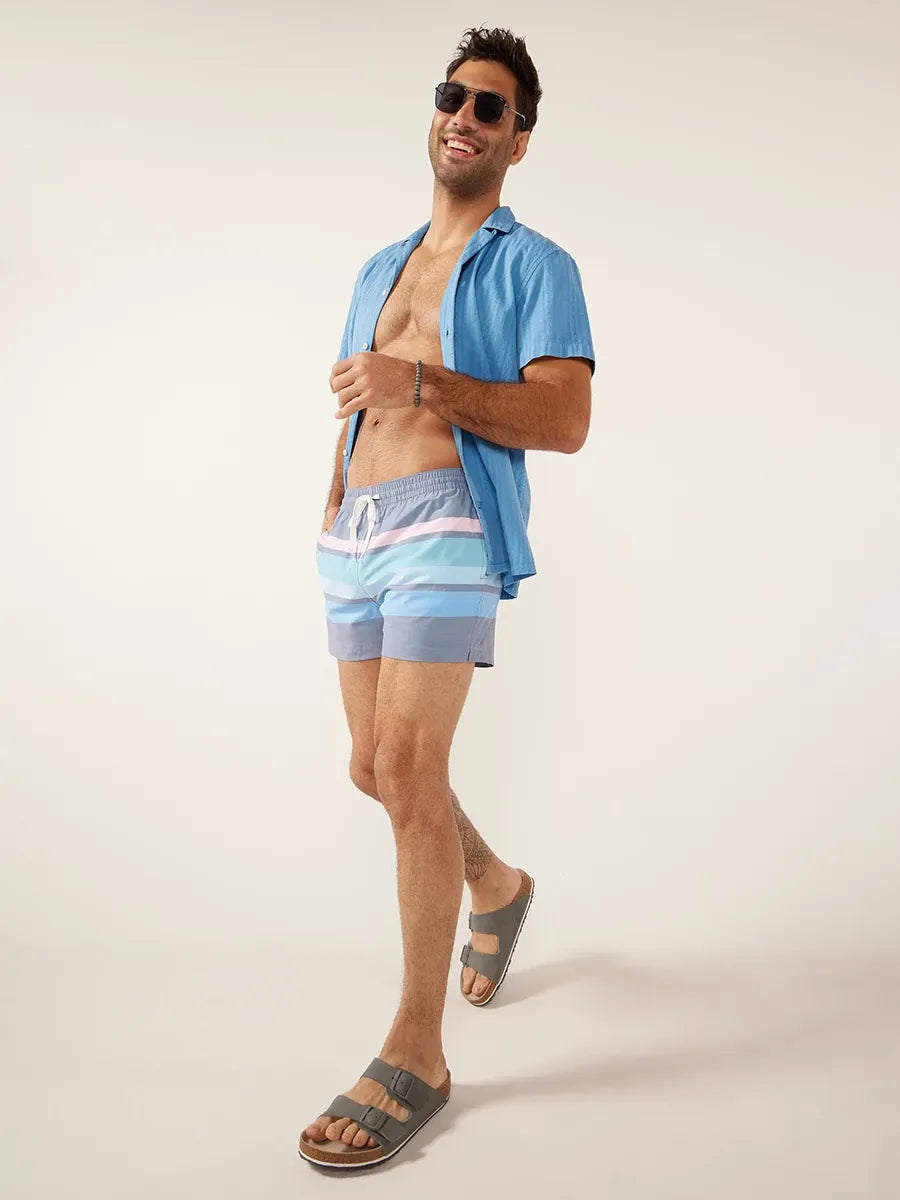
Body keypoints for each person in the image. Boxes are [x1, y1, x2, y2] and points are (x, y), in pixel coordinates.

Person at [298, 25, 595, 1170]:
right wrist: (333, 503)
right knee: (374, 768)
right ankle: (495, 883)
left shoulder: (537, 265)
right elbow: (354, 402)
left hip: (447, 521)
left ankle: (416, 1051)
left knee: (410, 766)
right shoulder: (379, 266)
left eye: (491, 107)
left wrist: (421, 379)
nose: (464, 117)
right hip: (357, 532)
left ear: (518, 141)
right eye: (453, 97)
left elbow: (563, 420)